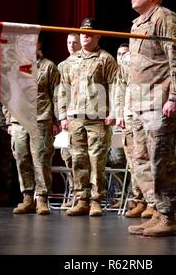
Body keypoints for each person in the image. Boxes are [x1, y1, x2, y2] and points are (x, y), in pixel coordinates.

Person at [126, 0, 176, 237]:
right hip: (140, 101)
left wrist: (175, 96)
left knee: (160, 159)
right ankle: (157, 210)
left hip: (159, 100)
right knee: (143, 160)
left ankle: (168, 216)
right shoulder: (137, 24)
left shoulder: (165, 18)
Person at [58, 18, 118, 217]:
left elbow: (115, 87)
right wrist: (62, 115)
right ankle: (81, 199)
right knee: (78, 160)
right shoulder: (70, 62)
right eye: (83, 33)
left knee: (97, 160)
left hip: (97, 118)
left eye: (90, 34)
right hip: (75, 117)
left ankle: (96, 200)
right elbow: (63, 90)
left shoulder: (105, 59)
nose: (85, 36)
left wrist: (113, 112)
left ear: (97, 36)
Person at [5, 39, 60, 215]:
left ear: (39, 46)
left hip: (42, 118)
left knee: (41, 159)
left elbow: (57, 94)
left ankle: (42, 198)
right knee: (22, 157)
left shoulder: (49, 66)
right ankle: (27, 197)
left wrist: (57, 120)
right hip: (19, 120)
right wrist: (9, 121)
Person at [115, 44, 153, 217]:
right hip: (129, 114)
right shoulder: (126, 59)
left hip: (148, 113)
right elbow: (120, 87)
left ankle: (152, 202)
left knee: (149, 159)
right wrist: (119, 113)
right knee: (134, 161)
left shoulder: (153, 55)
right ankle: (139, 200)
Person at [58, 33, 81, 208]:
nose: (71, 45)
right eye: (68, 42)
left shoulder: (84, 63)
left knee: (80, 157)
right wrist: (62, 116)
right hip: (67, 118)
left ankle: (82, 195)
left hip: (83, 116)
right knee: (67, 156)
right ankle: (73, 192)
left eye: (74, 42)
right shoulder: (62, 66)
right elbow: (60, 93)